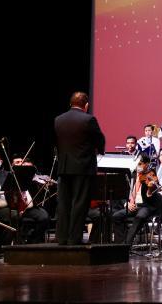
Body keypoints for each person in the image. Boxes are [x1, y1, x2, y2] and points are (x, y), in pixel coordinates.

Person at [54, 91, 106, 245]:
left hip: (64, 167)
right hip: (83, 168)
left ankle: (62, 237)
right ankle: (74, 238)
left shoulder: (58, 119)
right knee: (79, 203)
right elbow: (99, 139)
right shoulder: (88, 119)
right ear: (86, 105)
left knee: (63, 203)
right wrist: (100, 150)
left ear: (70, 103)